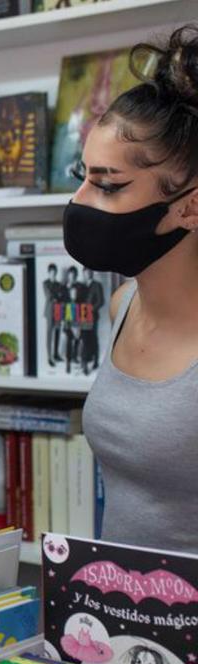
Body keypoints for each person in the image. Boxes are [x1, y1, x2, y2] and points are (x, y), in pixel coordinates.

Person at [70, 24, 198, 553]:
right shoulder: (122, 306)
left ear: (189, 206)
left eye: (107, 185)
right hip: (121, 620)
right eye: (82, 177)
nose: (79, 201)